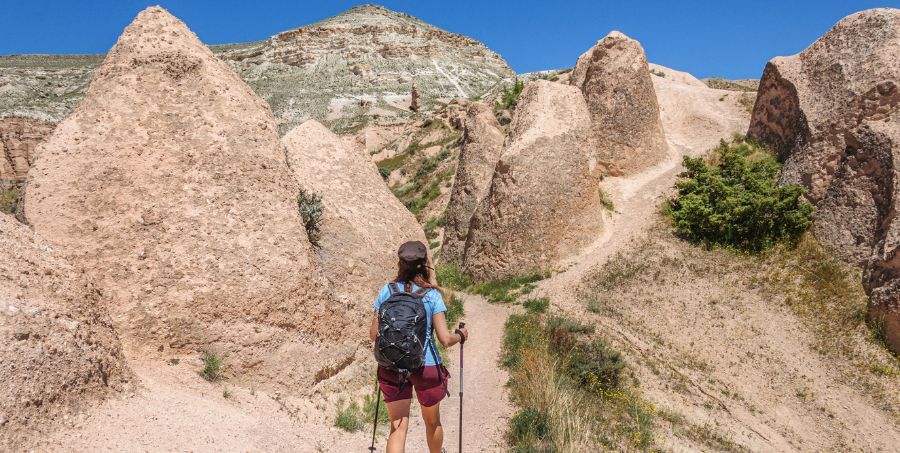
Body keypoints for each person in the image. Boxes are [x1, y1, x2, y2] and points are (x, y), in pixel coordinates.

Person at [369, 241, 469, 453]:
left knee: (398, 425)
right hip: (427, 367)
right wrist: (460, 336)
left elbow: (373, 335)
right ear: (425, 265)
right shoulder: (432, 295)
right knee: (432, 422)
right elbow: (444, 339)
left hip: (392, 366)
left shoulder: (387, 292)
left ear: (400, 263)